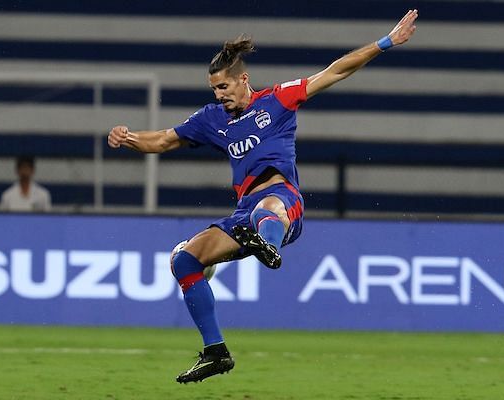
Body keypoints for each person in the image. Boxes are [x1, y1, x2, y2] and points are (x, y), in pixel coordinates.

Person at [108, 9, 418, 383]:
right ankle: (215, 351)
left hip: (283, 200)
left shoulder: (278, 100)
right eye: (214, 90)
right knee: (184, 260)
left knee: (265, 210)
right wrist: (127, 138)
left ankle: (269, 244)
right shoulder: (211, 119)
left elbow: (334, 71)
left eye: (224, 87)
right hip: (243, 214)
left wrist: (385, 42)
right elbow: (161, 140)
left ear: (243, 79)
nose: (219, 95)